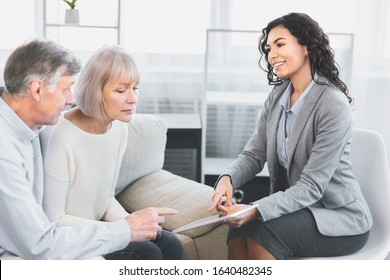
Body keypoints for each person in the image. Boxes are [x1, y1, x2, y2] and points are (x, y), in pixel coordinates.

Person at [208, 13, 373, 260]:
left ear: (305, 46)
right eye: (268, 48)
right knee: (238, 232)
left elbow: (312, 186)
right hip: (297, 209)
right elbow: (254, 154)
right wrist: (227, 180)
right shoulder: (277, 97)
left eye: (280, 44)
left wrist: (255, 209)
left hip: (338, 217)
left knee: (261, 232)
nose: (271, 54)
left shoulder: (332, 104)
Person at [0, 38, 177, 259]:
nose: (71, 99)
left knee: (170, 244)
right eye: (66, 89)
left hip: (51, 241)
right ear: (37, 90)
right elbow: (41, 241)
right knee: (148, 254)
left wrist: (133, 225)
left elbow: (104, 199)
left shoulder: (29, 128)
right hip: (36, 248)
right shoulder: (7, 151)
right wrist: (127, 229)